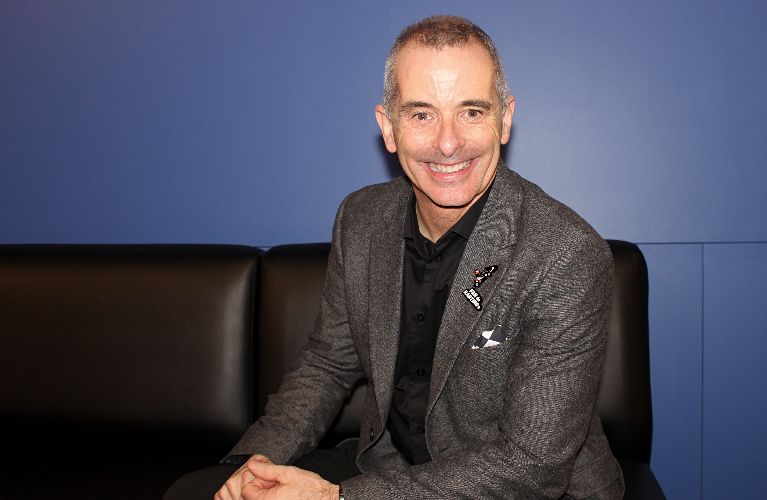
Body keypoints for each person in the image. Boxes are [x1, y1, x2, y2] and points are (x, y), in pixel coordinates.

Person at [166, 15, 623, 500]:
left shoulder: (566, 254)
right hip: (389, 468)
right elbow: (327, 363)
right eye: (422, 114)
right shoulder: (361, 218)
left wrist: (336, 498)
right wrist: (253, 466)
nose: (448, 143)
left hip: (518, 489)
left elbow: (531, 468)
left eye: (471, 111)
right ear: (388, 127)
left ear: (504, 119)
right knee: (196, 493)